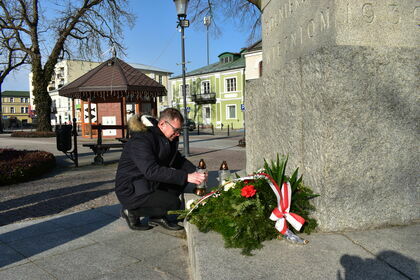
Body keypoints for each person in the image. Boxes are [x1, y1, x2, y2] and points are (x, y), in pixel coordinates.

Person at [115, 108, 206, 231]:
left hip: (149, 182)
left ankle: (156, 216)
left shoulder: (166, 138)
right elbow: (151, 171)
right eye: (176, 130)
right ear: (162, 124)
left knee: (181, 182)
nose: (178, 134)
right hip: (132, 188)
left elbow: (177, 159)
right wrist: (186, 176)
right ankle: (131, 211)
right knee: (174, 203)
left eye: (179, 130)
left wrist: (195, 171)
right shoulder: (142, 139)